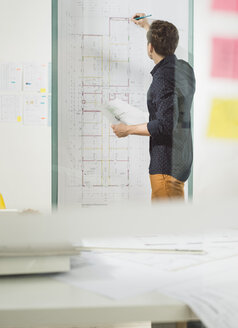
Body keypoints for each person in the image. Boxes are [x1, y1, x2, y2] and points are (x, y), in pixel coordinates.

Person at [111, 13, 196, 201]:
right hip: (181, 160)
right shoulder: (184, 69)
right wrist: (147, 27)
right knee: (173, 223)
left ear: (150, 48)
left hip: (166, 165)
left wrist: (128, 130)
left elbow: (165, 125)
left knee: (166, 226)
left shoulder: (162, 79)